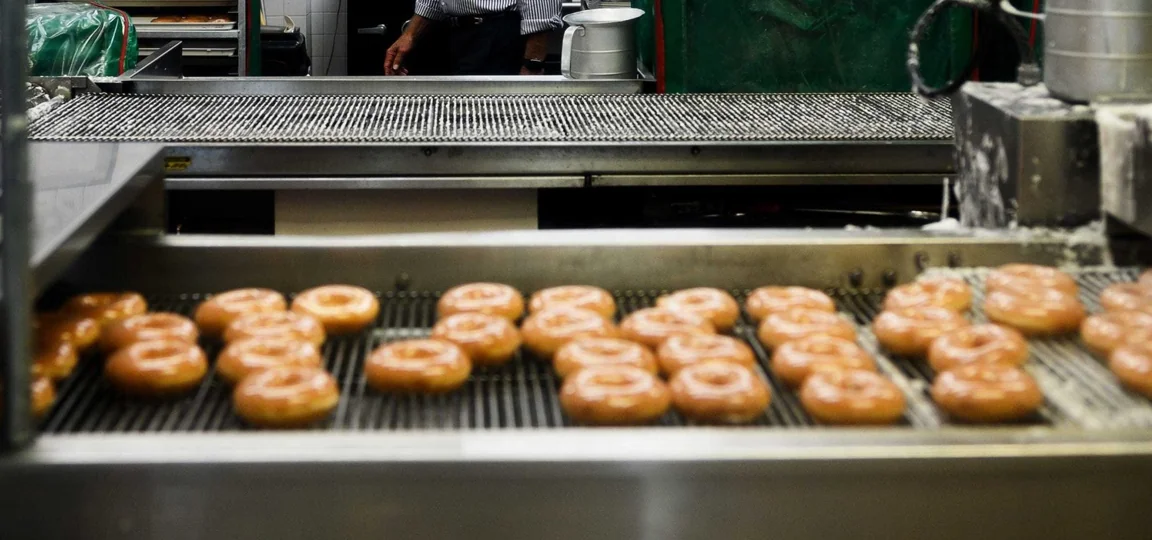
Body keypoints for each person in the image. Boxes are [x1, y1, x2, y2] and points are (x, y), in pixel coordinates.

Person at [384, 0, 562, 76]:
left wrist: (532, 65)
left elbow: (542, 9)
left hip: (497, 37)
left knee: (496, 120)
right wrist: (409, 35)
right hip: (454, 36)